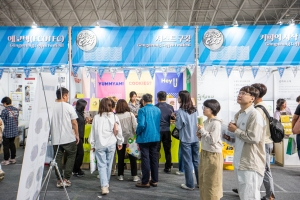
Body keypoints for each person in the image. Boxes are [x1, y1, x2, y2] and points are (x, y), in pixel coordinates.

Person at [227, 86, 266, 200]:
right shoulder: (240, 114)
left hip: (251, 162)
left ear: (252, 98)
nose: (240, 95)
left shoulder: (254, 114)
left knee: (250, 195)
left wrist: (236, 130)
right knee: (244, 195)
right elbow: (240, 137)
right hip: (240, 161)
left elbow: (254, 138)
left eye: (244, 93)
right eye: (239, 92)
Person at [89, 98, 124, 195]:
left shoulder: (96, 117)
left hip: (100, 144)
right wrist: (120, 142)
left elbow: (93, 132)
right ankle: (106, 184)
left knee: (102, 165)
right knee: (109, 165)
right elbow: (119, 130)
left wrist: (92, 144)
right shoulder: (114, 116)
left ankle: (104, 185)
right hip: (111, 143)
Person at [51, 88, 79, 188]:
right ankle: (66, 179)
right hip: (68, 137)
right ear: (64, 96)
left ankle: (59, 180)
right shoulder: (68, 107)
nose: (68, 98)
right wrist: (77, 135)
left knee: (57, 158)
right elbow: (74, 123)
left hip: (55, 138)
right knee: (71, 156)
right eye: (67, 96)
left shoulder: (51, 107)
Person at [251, 83, 275, 200]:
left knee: (264, 169)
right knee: (260, 168)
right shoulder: (263, 106)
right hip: (266, 141)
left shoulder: (258, 109)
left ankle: (270, 195)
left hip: (263, 143)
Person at [197, 99, 223, 200]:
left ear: (212, 109)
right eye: (203, 107)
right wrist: (199, 135)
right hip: (205, 152)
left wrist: (202, 131)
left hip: (213, 154)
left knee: (212, 182)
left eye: (206, 107)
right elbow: (205, 138)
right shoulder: (206, 121)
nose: (203, 109)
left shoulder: (216, 123)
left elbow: (213, 140)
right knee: (204, 180)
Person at [175, 90, 199, 190]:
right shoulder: (195, 109)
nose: (177, 98)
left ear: (182, 98)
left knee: (188, 162)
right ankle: (200, 183)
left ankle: (190, 184)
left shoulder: (180, 111)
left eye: (179, 96)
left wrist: (176, 119)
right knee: (197, 161)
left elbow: (179, 126)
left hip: (186, 139)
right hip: (196, 138)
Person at [136, 94, 161, 188]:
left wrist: (137, 132)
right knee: (154, 159)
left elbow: (141, 125)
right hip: (156, 137)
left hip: (144, 137)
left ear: (143, 101)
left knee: (145, 159)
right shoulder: (158, 110)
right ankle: (154, 180)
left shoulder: (142, 110)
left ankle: (145, 181)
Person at [115, 99, 139, 182]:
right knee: (133, 157)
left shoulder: (116, 116)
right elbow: (135, 126)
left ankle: (120, 175)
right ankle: (134, 176)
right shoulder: (130, 114)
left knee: (120, 158)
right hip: (131, 139)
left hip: (119, 139)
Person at [155, 91, 174, 173]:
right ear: (165, 98)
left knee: (156, 150)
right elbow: (172, 119)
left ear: (158, 98)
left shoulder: (155, 107)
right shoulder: (170, 107)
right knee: (167, 150)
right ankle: (168, 167)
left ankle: (155, 166)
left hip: (157, 131)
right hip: (167, 130)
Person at [0, 97, 19, 165]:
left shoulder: (5, 111)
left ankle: (6, 160)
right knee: (12, 144)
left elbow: (2, 122)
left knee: (6, 146)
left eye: (3, 104)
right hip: (14, 130)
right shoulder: (16, 110)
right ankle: (13, 158)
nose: (3, 105)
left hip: (7, 131)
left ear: (5, 103)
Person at [73, 99, 87, 177]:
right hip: (77, 136)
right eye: (85, 106)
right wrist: (76, 135)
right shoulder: (77, 115)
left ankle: (76, 169)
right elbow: (74, 125)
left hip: (80, 136)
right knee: (80, 153)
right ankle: (76, 169)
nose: (85, 108)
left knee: (78, 153)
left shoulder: (80, 114)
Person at [107, 96, 118, 176]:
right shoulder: (114, 116)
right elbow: (117, 130)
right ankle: (112, 170)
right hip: (111, 139)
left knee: (110, 156)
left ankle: (111, 170)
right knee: (111, 156)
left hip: (108, 140)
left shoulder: (115, 116)